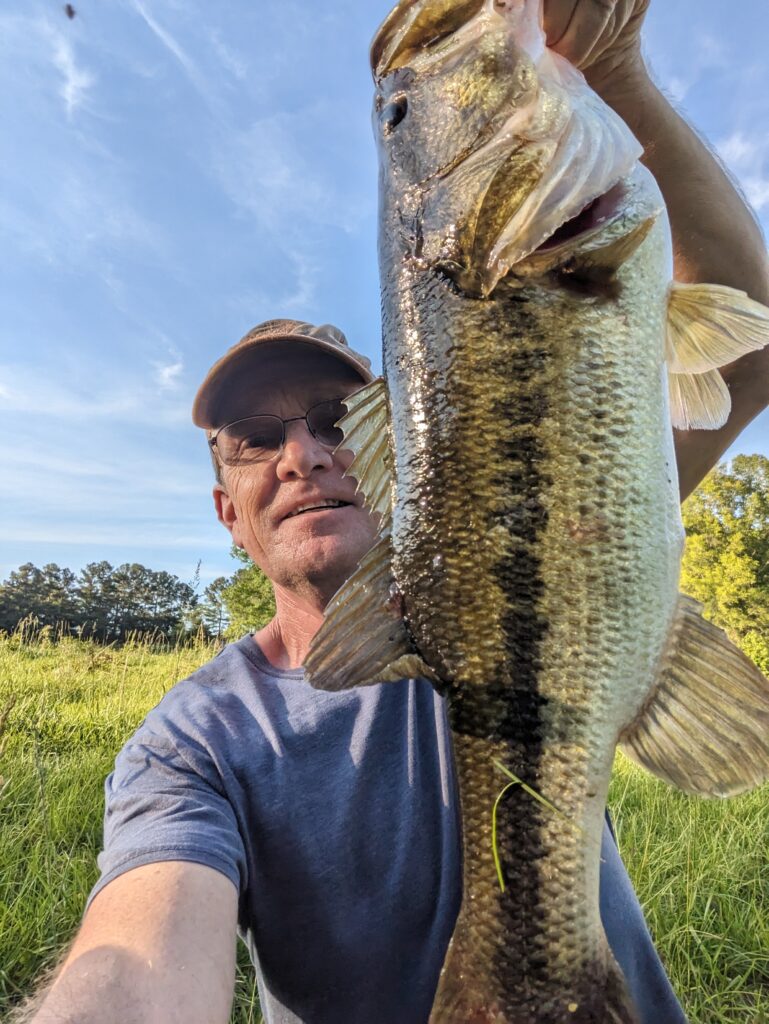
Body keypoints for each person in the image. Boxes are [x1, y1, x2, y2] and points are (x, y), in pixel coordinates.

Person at [16, 2, 769, 1023]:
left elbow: (751, 347)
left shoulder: (539, 525)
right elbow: (136, 962)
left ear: (397, 446)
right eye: (255, 437)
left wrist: (617, 72)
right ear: (225, 512)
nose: (302, 454)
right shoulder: (193, 740)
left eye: (333, 417)